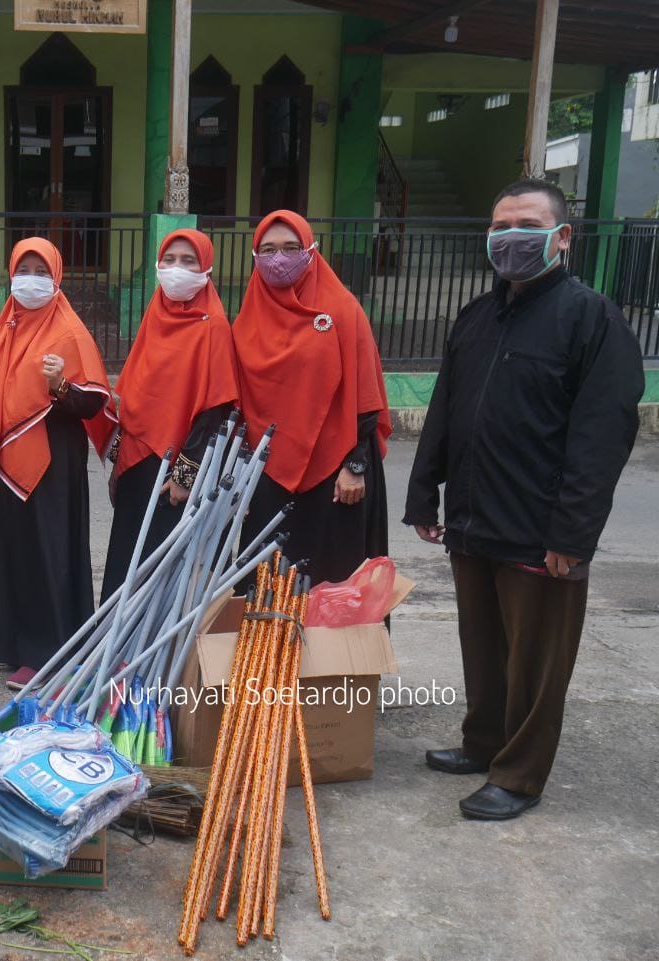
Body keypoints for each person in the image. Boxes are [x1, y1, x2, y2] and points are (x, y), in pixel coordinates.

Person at [404, 178, 643, 821]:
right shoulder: (477, 317)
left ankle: (519, 773)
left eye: (527, 224)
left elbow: (602, 438)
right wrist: (425, 496)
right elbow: (445, 411)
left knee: (536, 663)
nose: (510, 237)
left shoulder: (591, 318)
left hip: (542, 529)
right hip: (474, 519)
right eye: (500, 225)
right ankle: (483, 743)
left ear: (561, 237)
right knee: (482, 647)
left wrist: (572, 535)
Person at [0, 237, 115, 676]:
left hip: (54, 461)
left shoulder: (68, 331)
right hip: (7, 461)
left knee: (50, 553)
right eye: (22, 270)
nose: (30, 280)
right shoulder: (6, 328)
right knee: (14, 551)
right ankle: (14, 646)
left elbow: (93, 402)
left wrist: (60, 386)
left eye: (40, 271)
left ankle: (49, 652)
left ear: (56, 278)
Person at [231, 210, 392, 586]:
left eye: (291, 247)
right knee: (267, 584)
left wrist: (355, 467)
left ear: (311, 251)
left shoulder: (342, 309)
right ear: (255, 257)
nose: (279, 259)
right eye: (268, 250)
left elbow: (365, 395)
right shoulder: (246, 320)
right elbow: (236, 402)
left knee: (331, 584)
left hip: (335, 472)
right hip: (267, 473)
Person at [103, 228, 237, 602]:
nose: (176, 269)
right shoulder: (155, 315)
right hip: (138, 461)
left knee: (161, 564)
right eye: (169, 260)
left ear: (206, 268)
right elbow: (135, 396)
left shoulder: (213, 327)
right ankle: (116, 652)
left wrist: (185, 476)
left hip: (175, 470)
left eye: (188, 261)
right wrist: (118, 462)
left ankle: (151, 654)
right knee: (127, 556)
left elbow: (215, 408)